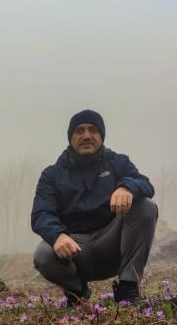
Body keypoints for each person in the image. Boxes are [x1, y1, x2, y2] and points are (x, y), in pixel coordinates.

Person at [31, 109, 158, 306]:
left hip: (113, 245)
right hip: (74, 252)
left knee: (145, 206)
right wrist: (57, 235)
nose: (87, 136)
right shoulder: (52, 174)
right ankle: (77, 294)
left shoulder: (117, 162)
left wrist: (127, 187)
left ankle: (128, 289)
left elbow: (145, 184)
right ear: (71, 137)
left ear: (101, 136)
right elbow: (41, 213)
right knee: (43, 254)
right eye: (79, 131)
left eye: (93, 130)